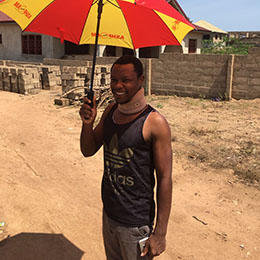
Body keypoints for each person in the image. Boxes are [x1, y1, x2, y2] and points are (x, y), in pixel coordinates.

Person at [79, 55, 172, 260]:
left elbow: (165, 178)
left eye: (125, 80)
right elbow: (88, 150)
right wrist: (87, 124)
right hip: (110, 215)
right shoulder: (111, 111)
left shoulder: (154, 123)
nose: (117, 85)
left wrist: (160, 233)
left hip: (136, 225)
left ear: (141, 80)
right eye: (114, 80)